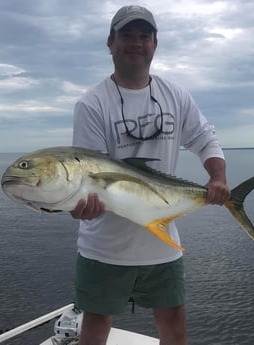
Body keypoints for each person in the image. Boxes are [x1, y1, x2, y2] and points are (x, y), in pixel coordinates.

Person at [71, 5, 231, 345]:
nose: (136, 43)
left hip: (162, 244)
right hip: (105, 248)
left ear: (155, 44)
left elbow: (205, 139)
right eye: (127, 35)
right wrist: (77, 205)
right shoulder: (92, 104)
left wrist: (217, 178)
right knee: (96, 325)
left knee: (174, 325)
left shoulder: (175, 95)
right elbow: (89, 173)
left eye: (145, 36)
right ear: (110, 42)